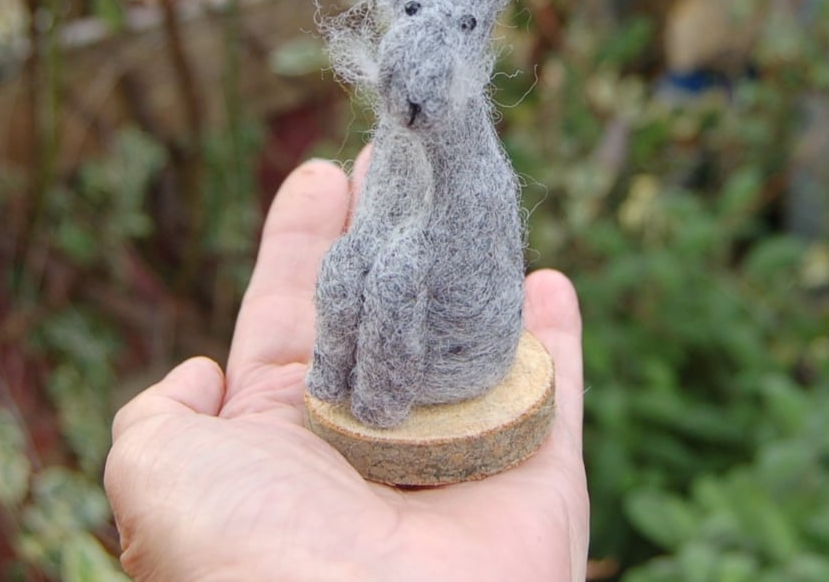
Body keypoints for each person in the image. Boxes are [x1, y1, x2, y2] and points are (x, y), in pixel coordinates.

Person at [104, 153, 590, 580]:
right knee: (349, 270)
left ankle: (377, 392)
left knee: (395, 280)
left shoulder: (474, 180)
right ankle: (344, 378)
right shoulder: (398, 171)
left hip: (466, 358)